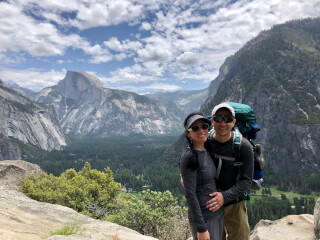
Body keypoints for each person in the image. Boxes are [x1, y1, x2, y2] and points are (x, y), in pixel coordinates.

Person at [206, 103, 254, 240]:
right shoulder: (205, 142)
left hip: (235, 203)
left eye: (227, 119)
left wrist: (224, 196)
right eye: (218, 118)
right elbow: (188, 161)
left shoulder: (243, 146)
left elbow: (246, 180)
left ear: (233, 122)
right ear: (212, 121)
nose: (222, 123)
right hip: (211, 204)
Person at [180, 112, 224, 240]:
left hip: (217, 214)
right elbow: (190, 194)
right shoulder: (189, 157)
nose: (201, 130)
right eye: (195, 128)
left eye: (204, 126)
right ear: (188, 133)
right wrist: (201, 228)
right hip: (204, 218)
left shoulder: (208, 149)